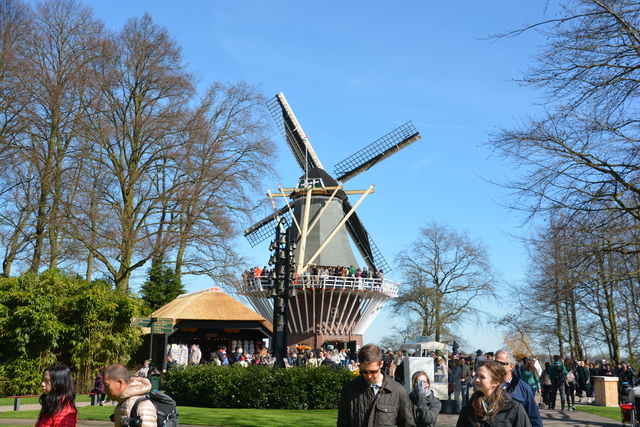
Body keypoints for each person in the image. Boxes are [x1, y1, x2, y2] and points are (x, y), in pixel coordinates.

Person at [337, 343, 415, 427]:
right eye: (364, 371)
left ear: (381, 364)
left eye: (373, 371)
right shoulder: (349, 390)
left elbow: (408, 424)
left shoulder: (399, 391)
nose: (369, 376)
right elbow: (342, 423)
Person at [456, 360, 531, 427]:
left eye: (482, 377)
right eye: (477, 375)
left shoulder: (512, 408)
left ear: (496, 383)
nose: (477, 380)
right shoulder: (470, 407)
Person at [494, 350, 542, 427]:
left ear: (511, 366)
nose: (496, 366)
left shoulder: (524, 388)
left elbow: (534, 417)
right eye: (495, 363)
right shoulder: (488, 386)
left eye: (500, 363)